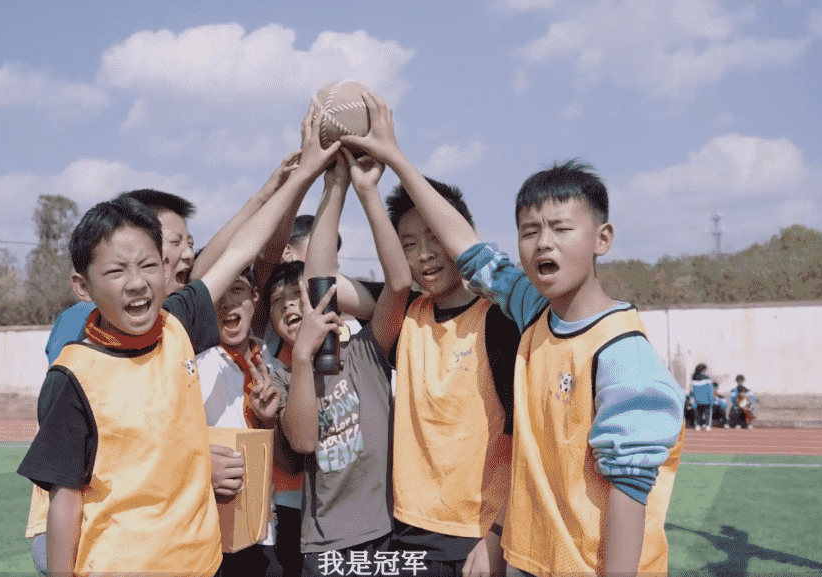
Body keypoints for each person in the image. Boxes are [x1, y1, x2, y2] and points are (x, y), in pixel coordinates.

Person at [339, 92, 684, 576]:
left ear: (603, 238)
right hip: (528, 558)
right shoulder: (535, 313)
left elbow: (629, 489)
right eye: (529, 231)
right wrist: (391, 162)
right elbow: (473, 254)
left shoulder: (620, 351)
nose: (544, 243)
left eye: (561, 229)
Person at [18, 103, 341, 576]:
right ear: (83, 287)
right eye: (116, 271)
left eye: (149, 266)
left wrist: (303, 175)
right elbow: (65, 501)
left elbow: (243, 249)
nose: (136, 282)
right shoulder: (74, 372)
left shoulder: (177, 323)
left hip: (200, 564)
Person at [354, 171, 520, 574]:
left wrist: (496, 534)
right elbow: (325, 287)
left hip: (478, 535)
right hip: (405, 529)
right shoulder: (405, 312)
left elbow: (526, 437)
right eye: (409, 245)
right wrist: (363, 190)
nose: (424, 255)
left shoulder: (500, 320)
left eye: (435, 238)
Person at [276, 147, 412, 577]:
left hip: (387, 532)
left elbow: (399, 284)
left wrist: (348, 186)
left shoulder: (366, 351)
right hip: (327, 546)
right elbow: (303, 441)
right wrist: (303, 356)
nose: (294, 307)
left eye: (300, 297)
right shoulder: (281, 378)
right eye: (280, 304)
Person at [196, 266, 288, 576]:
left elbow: (288, 461)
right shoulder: (195, 370)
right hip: (220, 536)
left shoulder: (273, 363)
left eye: (237, 290)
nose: (227, 302)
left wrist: (269, 422)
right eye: (218, 295)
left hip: (271, 530)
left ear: (255, 296)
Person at [690, 364, 717, 431]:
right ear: (703, 370)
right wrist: (712, 400)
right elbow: (710, 391)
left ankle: (698, 425)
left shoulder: (694, 379)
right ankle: (707, 425)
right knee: (708, 414)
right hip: (706, 400)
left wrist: (693, 401)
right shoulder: (707, 379)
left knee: (699, 413)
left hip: (698, 400)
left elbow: (692, 391)